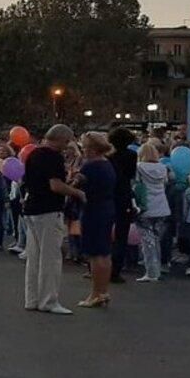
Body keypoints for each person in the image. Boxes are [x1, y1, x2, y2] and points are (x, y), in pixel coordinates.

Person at [22, 125, 85, 315]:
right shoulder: (53, 157)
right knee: (50, 258)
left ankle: (32, 298)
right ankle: (49, 300)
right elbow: (56, 186)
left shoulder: (33, 154)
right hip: (49, 209)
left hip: (32, 208)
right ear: (60, 139)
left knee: (34, 256)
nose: (67, 147)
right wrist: (77, 192)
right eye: (66, 142)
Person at [75, 132, 116, 308]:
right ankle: (103, 291)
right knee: (105, 252)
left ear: (91, 149)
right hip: (107, 208)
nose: (82, 150)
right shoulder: (107, 165)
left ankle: (95, 293)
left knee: (94, 253)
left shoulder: (90, 167)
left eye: (84, 147)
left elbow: (74, 184)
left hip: (93, 209)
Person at [134, 142, 172, 282]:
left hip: (145, 207)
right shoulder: (163, 168)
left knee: (147, 241)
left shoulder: (139, 167)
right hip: (162, 207)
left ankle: (151, 272)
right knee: (156, 239)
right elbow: (166, 183)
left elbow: (136, 184)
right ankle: (157, 270)